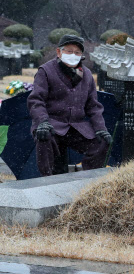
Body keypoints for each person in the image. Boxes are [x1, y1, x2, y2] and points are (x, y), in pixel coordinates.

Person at [27, 35, 111, 176]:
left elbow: (93, 106)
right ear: (59, 52)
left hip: (77, 127)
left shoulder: (87, 74)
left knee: (101, 141)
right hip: (51, 124)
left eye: (77, 52)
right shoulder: (46, 71)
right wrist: (42, 122)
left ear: (82, 55)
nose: (73, 55)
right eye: (69, 51)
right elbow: (36, 100)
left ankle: (88, 179)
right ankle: (47, 180)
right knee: (44, 137)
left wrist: (100, 128)